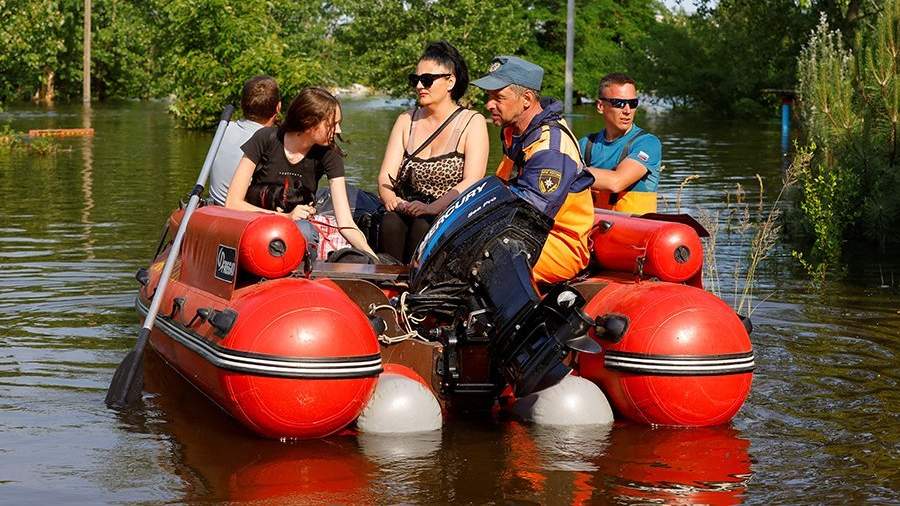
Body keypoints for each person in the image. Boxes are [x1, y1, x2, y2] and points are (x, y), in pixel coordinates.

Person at [472, 56, 595, 285]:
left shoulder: (551, 148)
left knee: (476, 259)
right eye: (489, 96)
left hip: (559, 245)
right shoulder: (513, 131)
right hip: (524, 232)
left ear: (526, 99)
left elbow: (530, 215)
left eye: (498, 97)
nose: (489, 104)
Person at [225, 87, 377, 258]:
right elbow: (232, 203)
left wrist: (372, 258)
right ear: (309, 122)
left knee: (305, 230)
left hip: (298, 231)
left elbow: (346, 222)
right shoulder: (265, 139)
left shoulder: (329, 153)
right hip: (254, 227)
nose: (339, 130)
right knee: (303, 230)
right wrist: (286, 218)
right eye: (333, 124)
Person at [377, 41, 489, 264]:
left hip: (446, 211)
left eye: (427, 80)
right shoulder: (405, 120)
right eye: (415, 80)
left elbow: (473, 180)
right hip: (405, 207)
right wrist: (392, 200)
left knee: (423, 225)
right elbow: (384, 176)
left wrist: (431, 208)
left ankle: (419, 290)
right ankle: (388, 288)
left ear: (450, 81)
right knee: (390, 221)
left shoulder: (472, 122)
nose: (419, 85)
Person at [579, 73, 662, 215]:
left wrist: (567, 171)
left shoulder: (648, 143)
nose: (627, 111)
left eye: (633, 103)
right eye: (619, 103)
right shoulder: (585, 144)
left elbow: (616, 182)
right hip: (594, 231)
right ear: (600, 106)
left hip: (635, 232)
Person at [209, 75, 281, 206]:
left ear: (242, 105)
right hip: (244, 214)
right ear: (278, 107)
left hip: (216, 209)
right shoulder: (273, 142)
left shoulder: (223, 129)